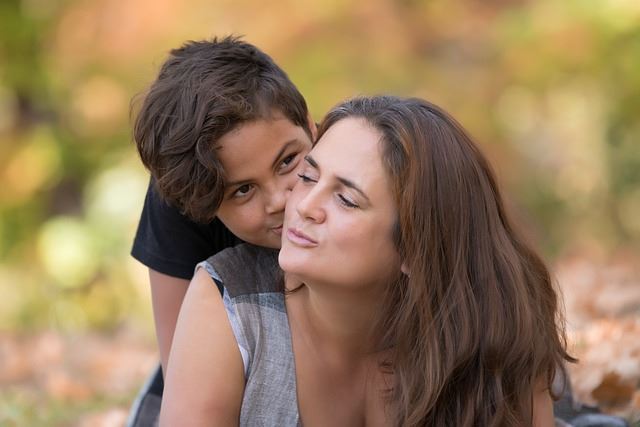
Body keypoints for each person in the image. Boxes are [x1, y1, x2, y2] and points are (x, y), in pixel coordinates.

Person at [161, 96, 575, 426]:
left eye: (345, 199)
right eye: (308, 176)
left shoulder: (494, 323)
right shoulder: (230, 301)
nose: (302, 205)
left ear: (415, 248)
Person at [125, 36, 316, 426]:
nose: (280, 199)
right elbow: (182, 363)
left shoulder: (352, 167)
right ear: (201, 207)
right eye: (243, 189)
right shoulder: (177, 205)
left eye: (288, 161)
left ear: (313, 128)